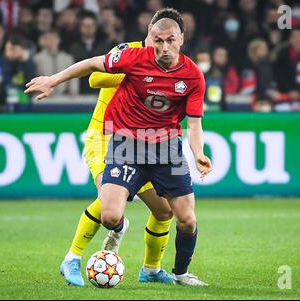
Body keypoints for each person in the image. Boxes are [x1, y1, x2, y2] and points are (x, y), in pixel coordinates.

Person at [25, 11, 212, 286]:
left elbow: (194, 124)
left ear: (180, 39)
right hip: (112, 136)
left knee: (165, 212)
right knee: (109, 207)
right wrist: (126, 75)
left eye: (169, 40)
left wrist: (198, 153)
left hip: (163, 147)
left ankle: (153, 269)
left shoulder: (191, 74)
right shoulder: (131, 54)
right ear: (149, 31)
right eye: (156, 38)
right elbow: (92, 76)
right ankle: (73, 258)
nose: (162, 46)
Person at [0, 33, 36, 112]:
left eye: (13, 49)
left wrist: (25, 63)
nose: (9, 52)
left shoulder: (27, 64)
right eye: (7, 49)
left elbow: (32, 84)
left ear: (21, 50)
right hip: (0, 104)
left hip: (23, 105)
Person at [34, 30, 79, 96]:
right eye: (48, 39)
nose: (51, 41)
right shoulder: (37, 58)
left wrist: (73, 90)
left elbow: (74, 75)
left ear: (58, 40)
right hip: (44, 96)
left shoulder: (67, 58)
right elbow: (36, 76)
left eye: (53, 38)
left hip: (65, 96)